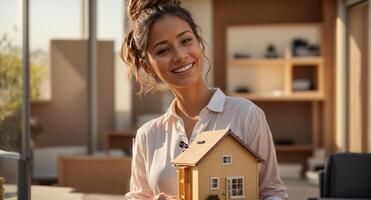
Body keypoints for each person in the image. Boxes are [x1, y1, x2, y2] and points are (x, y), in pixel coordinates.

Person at [121, 0, 288, 199]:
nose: (180, 55)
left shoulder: (246, 116)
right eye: (163, 50)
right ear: (148, 66)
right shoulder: (147, 136)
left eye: (186, 41)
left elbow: (272, 193)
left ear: (199, 43)